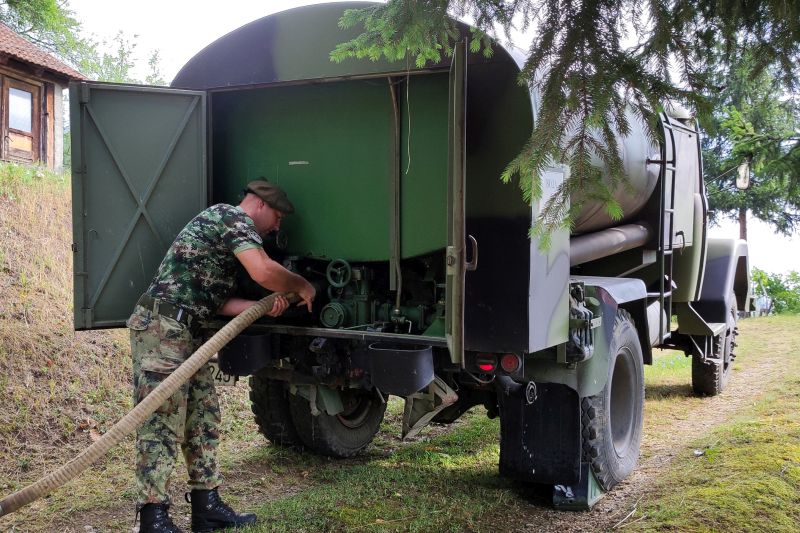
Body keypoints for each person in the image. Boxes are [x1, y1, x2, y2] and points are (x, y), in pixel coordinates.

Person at [126, 179, 315, 533]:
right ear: (259, 205)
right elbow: (263, 271)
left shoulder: (228, 235)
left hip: (186, 329)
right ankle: (153, 519)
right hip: (161, 327)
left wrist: (261, 306)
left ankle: (207, 507)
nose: (277, 226)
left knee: (203, 415)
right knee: (163, 419)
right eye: (277, 216)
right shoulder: (230, 217)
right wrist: (300, 284)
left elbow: (216, 300)